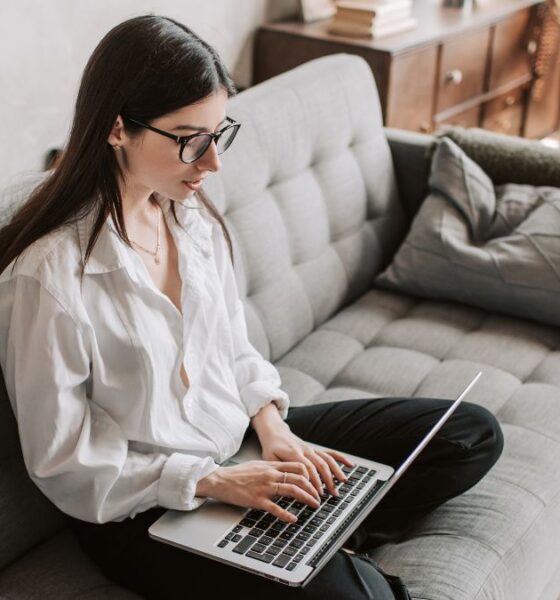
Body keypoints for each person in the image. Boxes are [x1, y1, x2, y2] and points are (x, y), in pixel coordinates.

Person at [0, 15, 504, 600]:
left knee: (468, 435)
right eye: (192, 140)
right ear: (117, 129)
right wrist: (217, 483)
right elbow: (65, 461)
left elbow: (233, 351)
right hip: (143, 509)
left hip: (238, 444)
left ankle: (320, 531)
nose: (213, 163)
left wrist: (274, 430)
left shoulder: (189, 217)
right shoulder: (48, 275)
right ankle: (325, 549)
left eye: (220, 134)